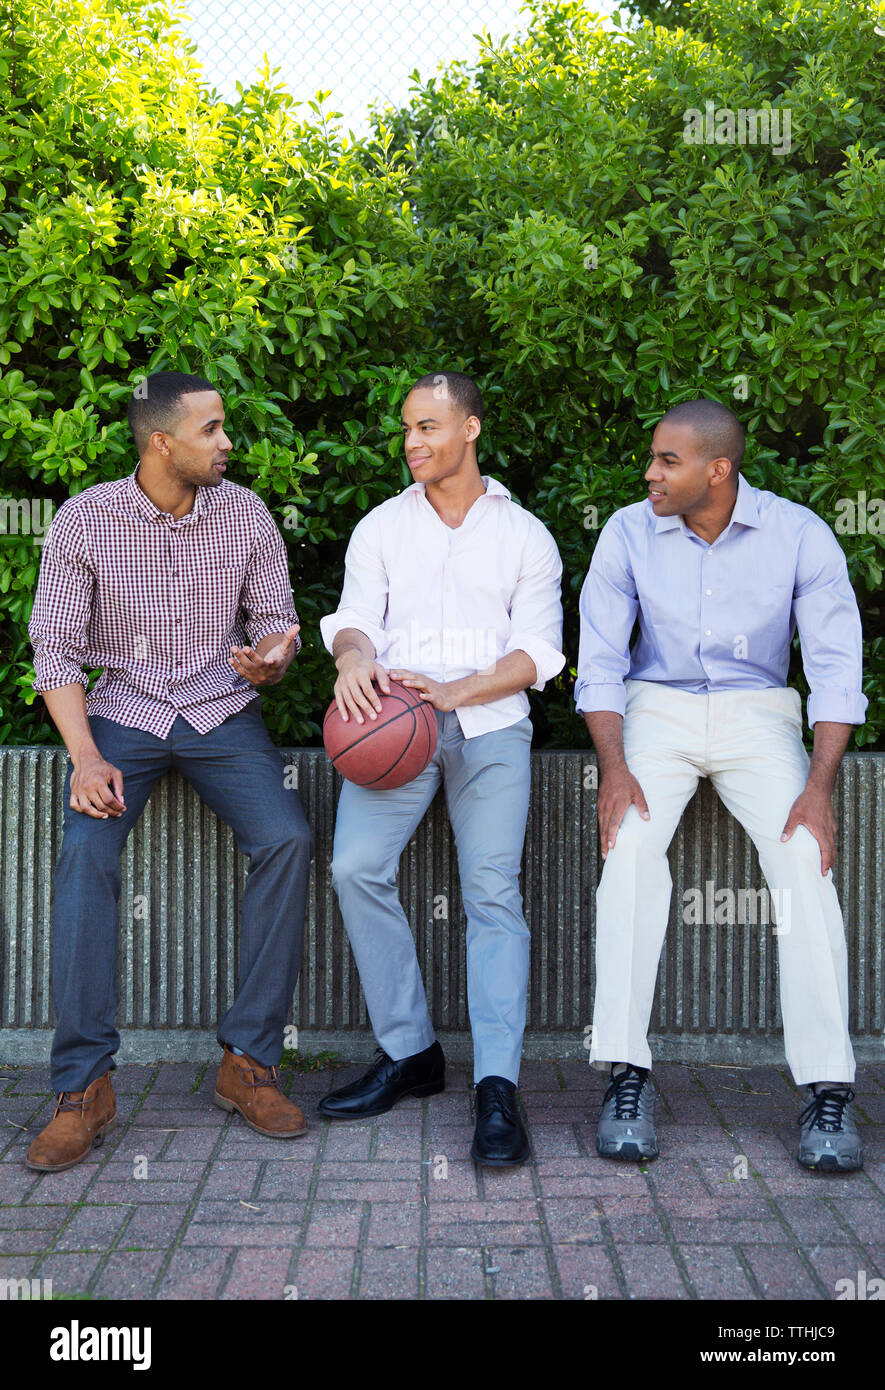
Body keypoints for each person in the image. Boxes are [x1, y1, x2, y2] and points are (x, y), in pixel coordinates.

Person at [25, 372, 313, 1172]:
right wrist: (86, 757)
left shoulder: (247, 512)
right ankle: (84, 1086)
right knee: (85, 854)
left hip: (222, 709)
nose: (228, 444)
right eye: (213, 430)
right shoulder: (86, 518)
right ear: (162, 443)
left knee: (286, 840)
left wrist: (274, 660)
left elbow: (276, 621)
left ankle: (247, 1062)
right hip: (124, 714)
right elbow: (54, 648)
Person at [576, 398, 867, 1172]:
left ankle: (826, 1086)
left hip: (757, 715)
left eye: (666, 461)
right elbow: (600, 663)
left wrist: (817, 788)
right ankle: (625, 1072)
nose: (649, 474)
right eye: (651, 458)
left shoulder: (798, 534)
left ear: (717, 469)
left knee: (803, 859)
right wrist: (614, 769)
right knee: (629, 850)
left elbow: (836, 668)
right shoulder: (627, 532)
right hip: (656, 710)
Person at [316, 371, 565, 1165]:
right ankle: (411, 1054)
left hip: (490, 726)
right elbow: (355, 621)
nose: (413, 442)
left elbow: (538, 652)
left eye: (427, 427)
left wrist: (458, 689)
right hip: (392, 724)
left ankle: (498, 1086)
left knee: (491, 891)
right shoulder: (382, 526)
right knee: (355, 867)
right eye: (406, 430)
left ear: (470, 430)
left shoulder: (524, 535)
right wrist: (353, 660)